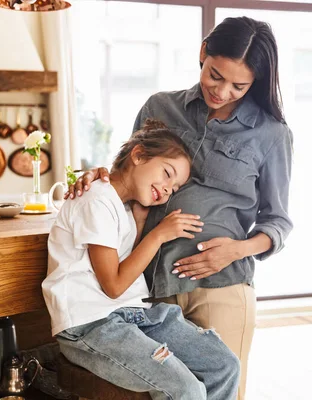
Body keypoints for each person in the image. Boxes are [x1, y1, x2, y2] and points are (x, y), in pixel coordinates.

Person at [66, 16, 293, 399]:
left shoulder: (271, 134)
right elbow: (130, 172)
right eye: (215, 75)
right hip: (149, 286)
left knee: (222, 384)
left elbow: (279, 222)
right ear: (203, 52)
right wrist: (97, 176)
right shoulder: (160, 107)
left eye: (240, 85)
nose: (222, 92)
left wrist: (236, 250)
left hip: (220, 285)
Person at [42, 120, 241, 400]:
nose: (168, 188)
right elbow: (113, 285)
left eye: (175, 187)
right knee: (187, 390)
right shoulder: (96, 200)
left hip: (136, 315)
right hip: (93, 325)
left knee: (224, 365)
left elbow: (124, 266)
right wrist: (157, 235)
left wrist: (139, 220)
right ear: (138, 155)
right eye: (167, 173)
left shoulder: (123, 208)